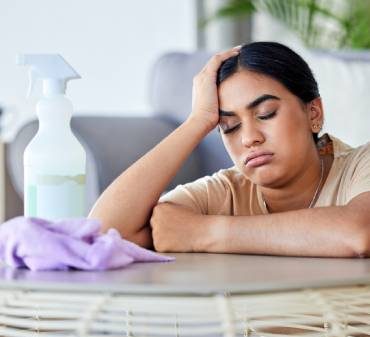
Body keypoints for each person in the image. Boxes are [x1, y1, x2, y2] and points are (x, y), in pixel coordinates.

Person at [88, 42, 370, 258]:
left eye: (266, 113)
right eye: (229, 126)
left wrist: (204, 233)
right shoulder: (225, 192)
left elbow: (359, 232)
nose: (249, 138)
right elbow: (102, 234)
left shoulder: (361, 165)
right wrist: (196, 122)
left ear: (313, 113)